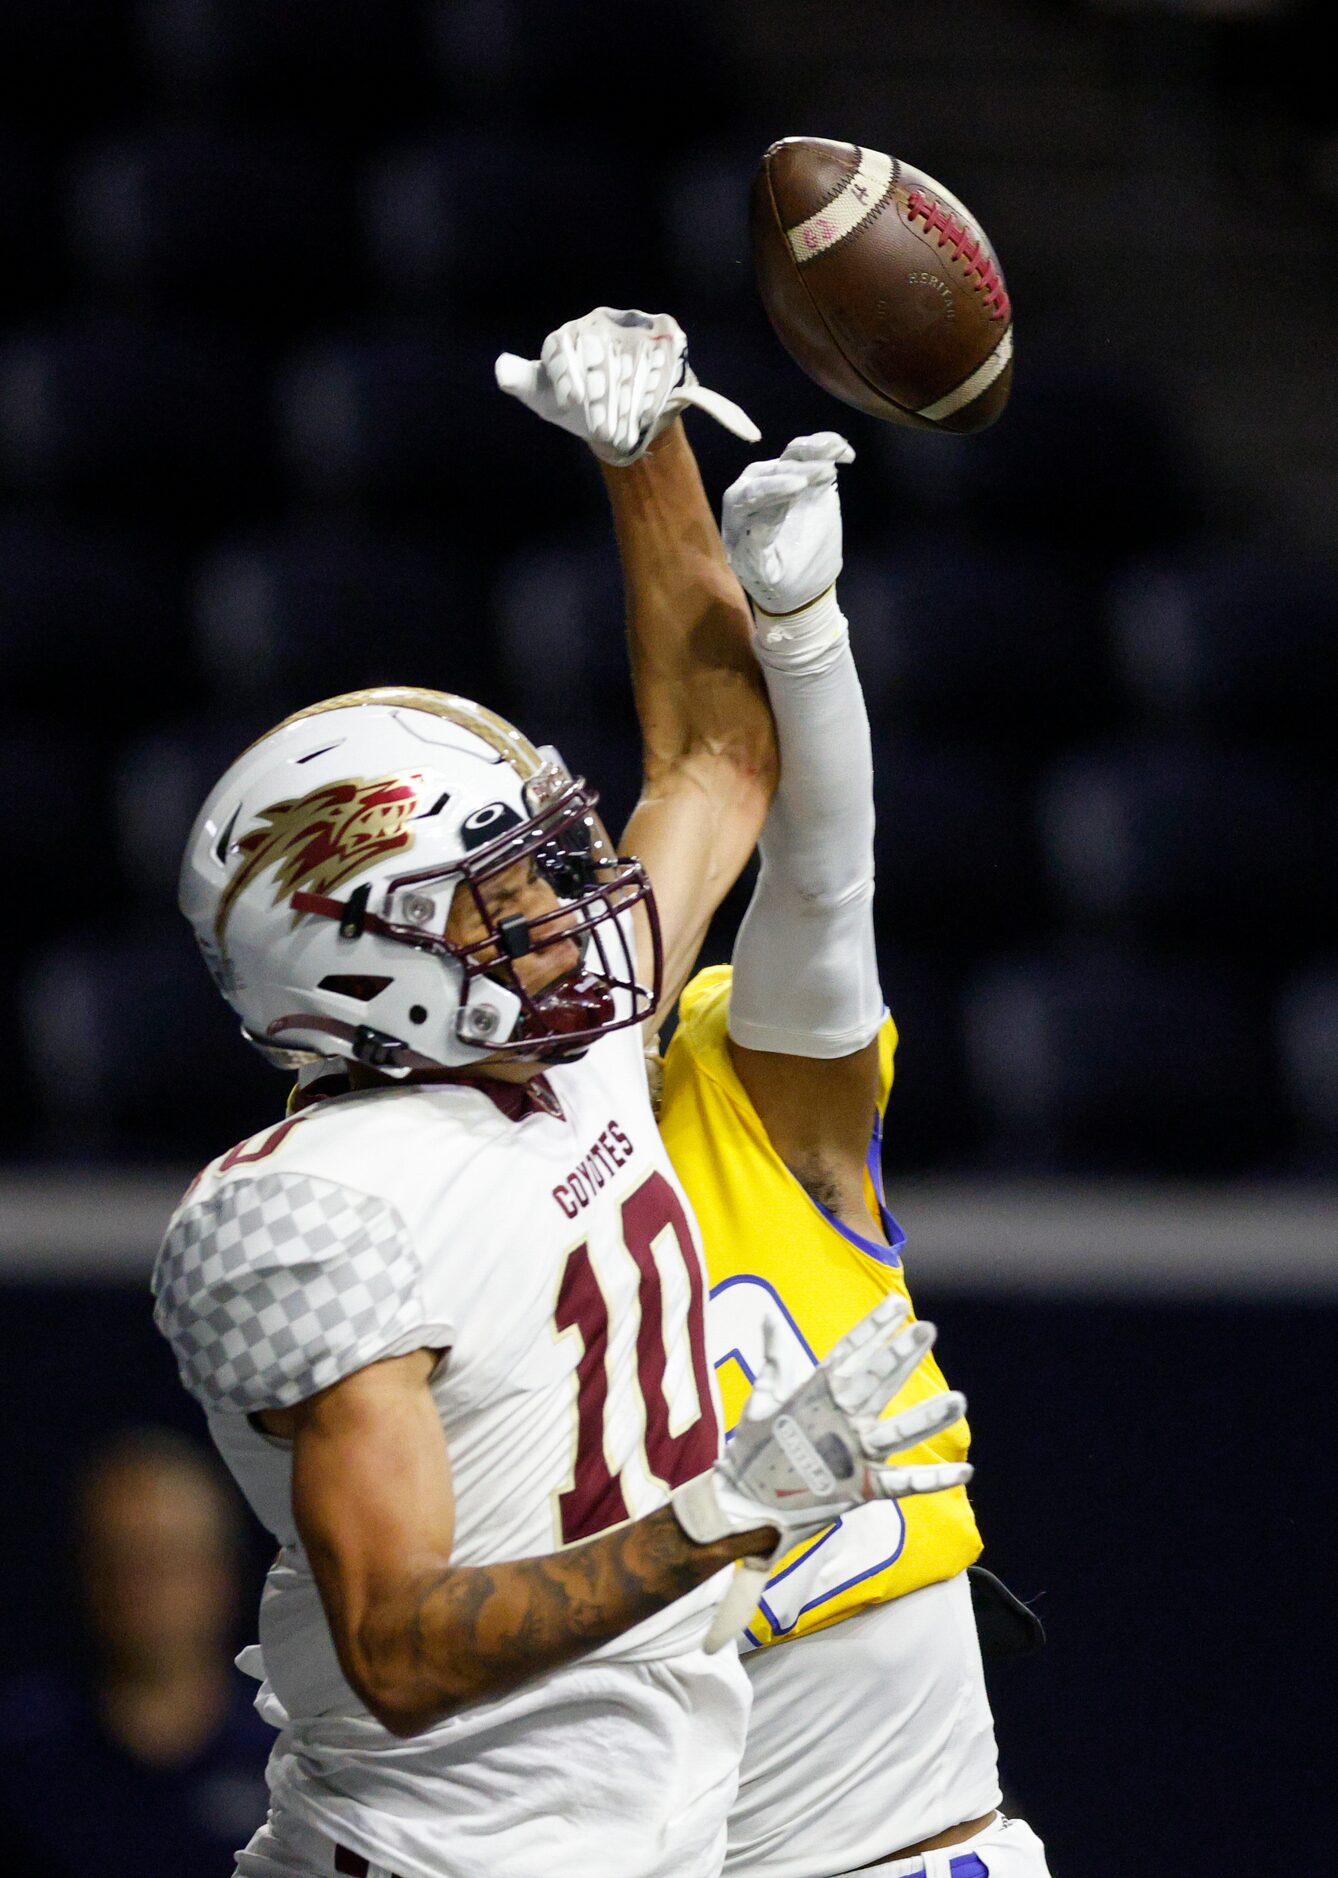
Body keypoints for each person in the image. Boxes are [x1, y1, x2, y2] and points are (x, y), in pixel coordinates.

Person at [151, 310, 974, 1878]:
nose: (571, 906)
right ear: (358, 953)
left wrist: (637, 449)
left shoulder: (563, 1050)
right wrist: (723, 1516)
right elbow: (396, 1648)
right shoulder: (306, 1212)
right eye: (503, 892)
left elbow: (720, 762)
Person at [503, 317, 1053, 1874]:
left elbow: (782, 845)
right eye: (504, 900)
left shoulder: (727, 1089)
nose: (560, 915)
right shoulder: (399, 1208)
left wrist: (785, 612)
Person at [0, 1427, 272, 1878]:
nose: (141, 1589)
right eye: (119, 1559)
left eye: (165, 1560)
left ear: (222, 1575)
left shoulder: (287, 1760)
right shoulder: (21, 1758)